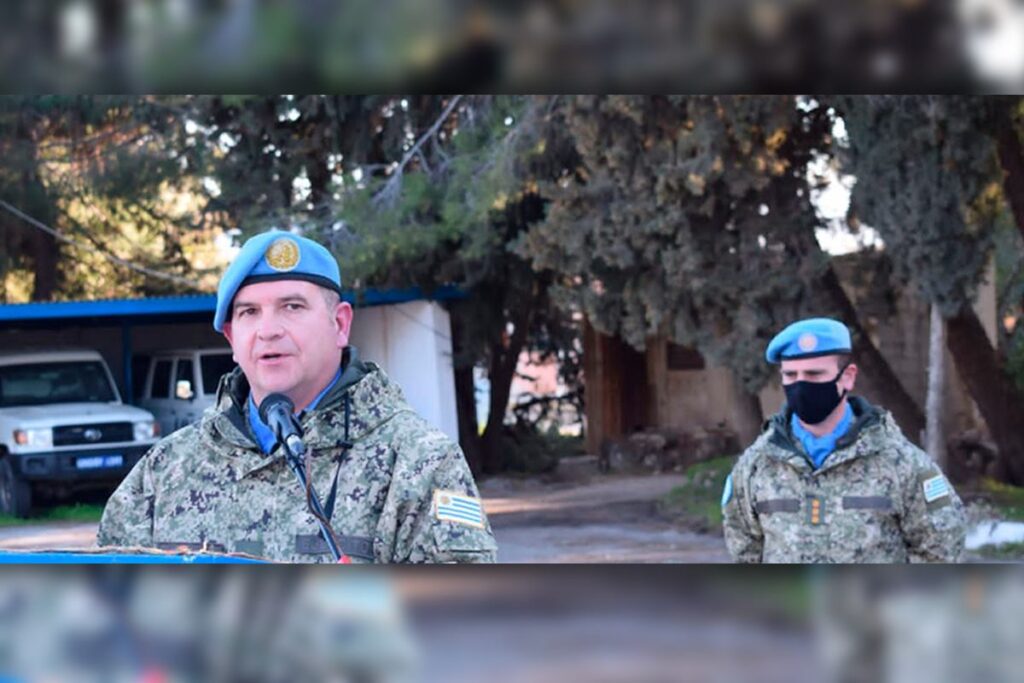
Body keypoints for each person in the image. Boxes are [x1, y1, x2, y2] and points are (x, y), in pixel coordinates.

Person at [98, 229, 498, 563]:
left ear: (340, 324)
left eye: (291, 306)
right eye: (249, 312)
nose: (268, 330)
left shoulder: (419, 462)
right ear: (232, 339)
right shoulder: (166, 470)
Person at [721, 317, 966, 563]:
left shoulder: (901, 462)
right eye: (791, 375)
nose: (801, 385)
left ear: (847, 377)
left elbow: (940, 549)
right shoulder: (757, 465)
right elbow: (744, 550)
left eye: (814, 374)